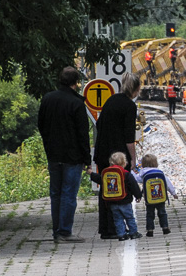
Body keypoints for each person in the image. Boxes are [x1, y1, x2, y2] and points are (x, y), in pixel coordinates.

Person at [37, 66, 91, 242]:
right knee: (68, 193)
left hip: (53, 154)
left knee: (56, 193)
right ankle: (64, 231)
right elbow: (82, 134)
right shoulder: (76, 103)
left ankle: (56, 230)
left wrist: (48, 146)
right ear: (76, 83)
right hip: (72, 157)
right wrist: (87, 159)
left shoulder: (48, 99)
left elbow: (41, 126)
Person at [93, 73, 140, 239]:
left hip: (102, 152)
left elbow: (99, 124)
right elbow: (129, 137)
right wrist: (133, 159)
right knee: (119, 189)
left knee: (106, 189)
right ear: (135, 89)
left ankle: (106, 228)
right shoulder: (129, 106)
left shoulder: (110, 101)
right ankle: (115, 229)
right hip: (117, 155)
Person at [88, 152, 142, 241]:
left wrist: (91, 173)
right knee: (129, 218)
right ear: (124, 163)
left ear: (111, 163)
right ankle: (133, 233)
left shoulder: (106, 174)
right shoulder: (126, 174)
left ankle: (121, 234)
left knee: (118, 219)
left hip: (112, 202)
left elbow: (99, 179)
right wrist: (138, 195)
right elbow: (133, 185)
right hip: (125, 201)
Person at [135, 154, 178, 237]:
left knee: (150, 214)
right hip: (160, 197)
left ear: (143, 164)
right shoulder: (160, 172)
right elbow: (168, 183)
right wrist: (173, 193)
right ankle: (165, 228)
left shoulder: (143, 173)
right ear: (155, 163)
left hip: (149, 198)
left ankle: (150, 230)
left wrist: (133, 172)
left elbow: (137, 179)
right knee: (162, 212)